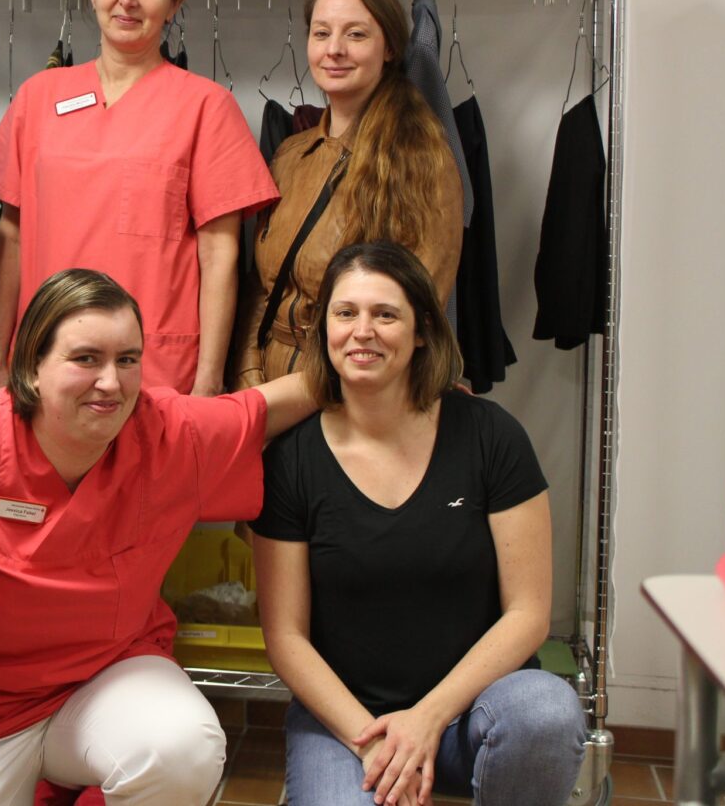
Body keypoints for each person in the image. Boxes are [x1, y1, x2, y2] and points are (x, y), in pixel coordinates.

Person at [0, 268, 316, 805]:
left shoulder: (167, 431)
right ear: (32, 366)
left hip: (109, 685)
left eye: (127, 360)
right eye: (86, 359)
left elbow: (267, 408)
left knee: (182, 748)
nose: (111, 382)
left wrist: (358, 348)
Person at [250, 242, 585, 806]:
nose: (363, 331)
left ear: (422, 330)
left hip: (471, 712)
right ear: (323, 327)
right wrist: (376, 744)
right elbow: (285, 637)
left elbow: (528, 614)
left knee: (546, 713)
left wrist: (426, 719)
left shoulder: (491, 436)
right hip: (346, 723)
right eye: (346, 312)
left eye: (385, 314)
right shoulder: (290, 460)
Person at [0, 0, 277, 397]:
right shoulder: (38, 97)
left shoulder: (206, 107)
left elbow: (219, 254)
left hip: (155, 367)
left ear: (175, 2)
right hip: (45, 361)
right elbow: (10, 236)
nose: (128, 0)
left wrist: (208, 380)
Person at [236, 0, 463, 389]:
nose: (334, 49)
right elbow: (259, 288)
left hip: (355, 394)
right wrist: (249, 379)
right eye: (322, 33)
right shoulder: (290, 155)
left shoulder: (421, 161)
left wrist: (318, 397)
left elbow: (413, 312)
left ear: (389, 48)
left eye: (356, 34)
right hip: (266, 389)